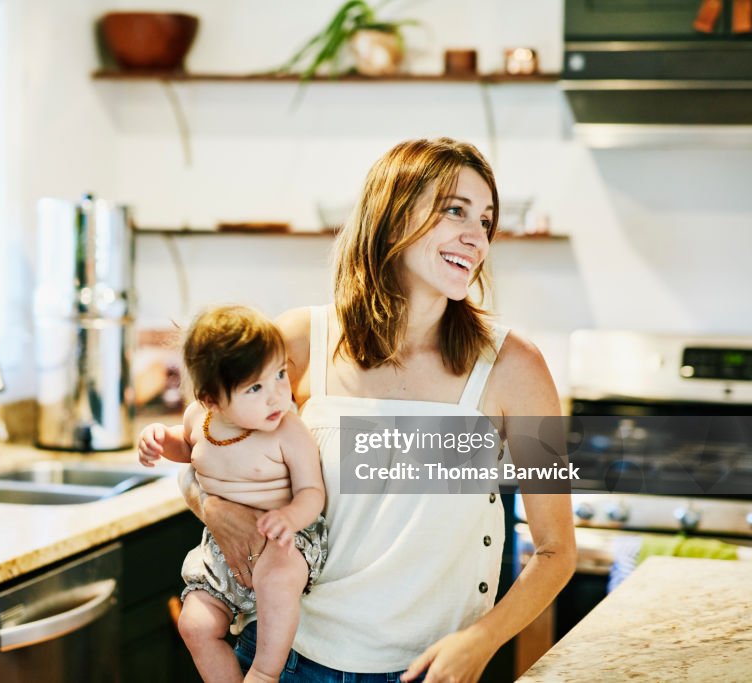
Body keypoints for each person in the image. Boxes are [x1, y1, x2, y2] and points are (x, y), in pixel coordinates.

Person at [179, 138, 577, 683]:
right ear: (391, 219)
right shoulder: (301, 341)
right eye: (454, 210)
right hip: (285, 660)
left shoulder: (515, 367)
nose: (476, 237)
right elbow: (198, 445)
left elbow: (557, 552)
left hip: (425, 670)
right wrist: (212, 506)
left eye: (485, 221)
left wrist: (480, 643)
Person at [137, 305, 327, 683]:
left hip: (289, 541)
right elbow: (185, 447)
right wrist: (159, 438)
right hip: (223, 548)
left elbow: (312, 493)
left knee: (276, 579)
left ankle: (264, 673)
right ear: (211, 400)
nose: (277, 396)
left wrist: (288, 518)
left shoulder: (289, 432)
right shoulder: (199, 419)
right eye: (255, 387)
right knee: (194, 622)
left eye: (280, 375)